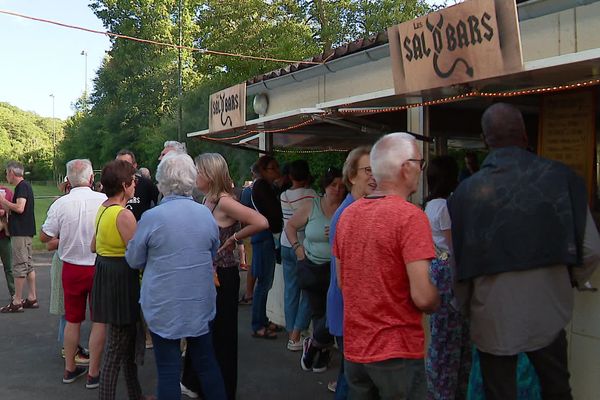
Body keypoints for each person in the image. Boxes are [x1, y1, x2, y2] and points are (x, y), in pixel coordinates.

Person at [448, 103, 600, 400]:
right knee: (557, 388)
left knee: (499, 392)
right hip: (549, 308)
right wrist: (572, 280)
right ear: (525, 136)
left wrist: (467, 306)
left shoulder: (465, 193)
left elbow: (458, 265)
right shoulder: (563, 178)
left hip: (492, 313)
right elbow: (591, 248)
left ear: (485, 140)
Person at [333, 132, 440, 399]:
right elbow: (424, 297)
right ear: (406, 168)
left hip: (356, 351)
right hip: (397, 352)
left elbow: (342, 283)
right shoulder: (411, 217)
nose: (421, 170)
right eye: (420, 163)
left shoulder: (347, 216)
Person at [126, 153, 226, 400]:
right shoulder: (206, 215)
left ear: (161, 183)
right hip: (199, 300)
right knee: (206, 363)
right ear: (191, 180)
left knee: (168, 369)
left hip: (164, 303)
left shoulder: (152, 218)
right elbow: (213, 251)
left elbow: (134, 259)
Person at [180, 153, 268, 400]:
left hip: (224, 277)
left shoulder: (223, 201)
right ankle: (198, 383)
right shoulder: (208, 198)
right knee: (204, 333)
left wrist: (234, 238)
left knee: (223, 337)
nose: (195, 175)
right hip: (208, 275)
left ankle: (223, 391)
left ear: (210, 174)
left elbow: (260, 221)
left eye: (198, 171)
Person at [40, 159, 107, 387]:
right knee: (99, 319)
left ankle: (70, 368)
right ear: (91, 178)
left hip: (71, 267)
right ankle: (94, 372)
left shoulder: (61, 204)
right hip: (97, 265)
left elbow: (45, 236)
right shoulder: (103, 201)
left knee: (72, 319)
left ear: (68, 180)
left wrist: (65, 237)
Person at [90, 159, 149, 400]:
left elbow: (94, 246)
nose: (135, 185)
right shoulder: (124, 215)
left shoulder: (103, 208)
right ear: (125, 185)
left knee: (125, 348)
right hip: (121, 282)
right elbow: (138, 257)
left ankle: (136, 396)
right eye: (133, 181)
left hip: (106, 276)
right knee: (116, 351)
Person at [326, 146, 376, 398]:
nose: (373, 176)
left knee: (351, 376)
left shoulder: (358, 210)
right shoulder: (347, 214)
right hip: (350, 311)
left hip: (353, 311)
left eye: (376, 170)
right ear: (352, 176)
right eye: (367, 170)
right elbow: (343, 277)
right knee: (353, 380)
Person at [285, 167, 345, 373]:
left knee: (333, 313)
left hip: (337, 268)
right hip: (312, 267)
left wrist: (341, 231)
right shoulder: (312, 205)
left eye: (340, 185)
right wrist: (298, 249)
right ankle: (322, 352)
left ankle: (317, 345)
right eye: (332, 184)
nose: (336, 189)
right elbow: (290, 226)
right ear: (325, 185)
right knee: (319, 313)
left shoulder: (347, 209)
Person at [423, 155, 471, 399]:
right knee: (451, 341)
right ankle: (448, 390)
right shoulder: (444, 206)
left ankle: (439, 388)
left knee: (441, 337)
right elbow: (452, 250)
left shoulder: (430, 204)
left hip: (435, 272)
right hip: (447, 275)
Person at [280, 159, 317, 351]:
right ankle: (296, 333)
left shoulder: (284, 195)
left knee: (290, 290)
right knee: (308, 291)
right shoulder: (312, 195)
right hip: (303, 246)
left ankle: (290, 332)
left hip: (285, 244)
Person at [245, 155, 283, 339]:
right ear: (264, 170)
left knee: (265, 281)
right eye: (273, 168)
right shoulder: (261, 186)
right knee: (264, 282)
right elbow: (273, 212)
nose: (277, 171)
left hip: (263, 237)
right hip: (264, 237)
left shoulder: (264, 186)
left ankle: (261, 319)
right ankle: (258, 324)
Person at [0, 161, 37, 313]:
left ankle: (17, 300)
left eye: (7, 173)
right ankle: (32, 297)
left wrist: (3, 201)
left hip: (21, 232)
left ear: (12, 173)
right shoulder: (25, 186)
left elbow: (20, 208)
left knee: (19, 266)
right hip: (26, 231)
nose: (6, 176)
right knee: (28, 265)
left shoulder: (21, 187)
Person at [116, 150, 159, 221]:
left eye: (125, 164)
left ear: (134, 165)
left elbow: (158, 203)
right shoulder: (111, 185)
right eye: (118, 164)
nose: (122, 167)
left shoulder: (146, 184)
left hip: (141, 227)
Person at [0, 184, 14, 300]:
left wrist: (5, 212)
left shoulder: (7, 192)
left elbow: (15, 209)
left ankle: (14, 294)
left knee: (9, 268)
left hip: (4, 237)